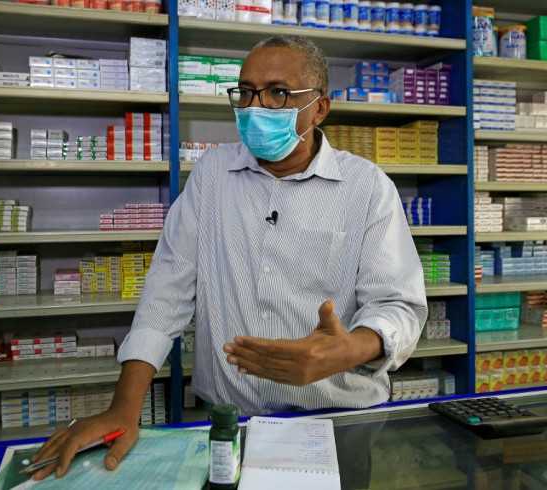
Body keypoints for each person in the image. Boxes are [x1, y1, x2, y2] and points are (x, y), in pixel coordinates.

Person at [31, 34, 427, 481]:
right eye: (245, 91)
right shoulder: (212, 175)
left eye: (278, 92)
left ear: (319, 108)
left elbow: (400, 306)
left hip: (339, 422)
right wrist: (124, 407)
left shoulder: (367, 187)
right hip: (227, 424)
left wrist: (349, 348)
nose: (255, 106)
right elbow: (167, 290)